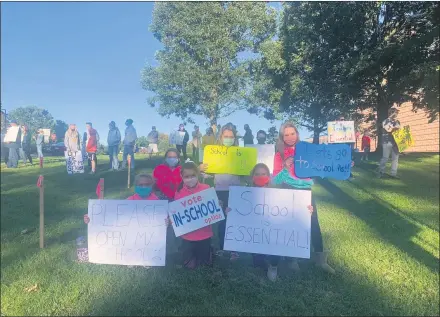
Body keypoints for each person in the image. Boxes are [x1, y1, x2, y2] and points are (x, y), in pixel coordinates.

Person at [272, 121, 335, 274]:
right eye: (286, 135)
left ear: (297, 134)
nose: (290, 137)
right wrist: (285, 168)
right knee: (291, 225)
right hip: (288, 191)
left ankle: (320, 259)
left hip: (306, 190)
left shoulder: (308, 150)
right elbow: (275, 180)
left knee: (313, 222)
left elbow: (325, 165)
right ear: (282, 137)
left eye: (292, 133)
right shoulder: (279, 155)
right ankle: (292, 259)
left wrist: (345, 164)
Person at [84, 173, 158, 268]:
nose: (144, 187)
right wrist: (93, 218)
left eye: (147, 184)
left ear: (152, 186)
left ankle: (146, 258)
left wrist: (165, 222)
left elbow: (159, 220)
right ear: (135, 186)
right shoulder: (129, 201)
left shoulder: (157, 202)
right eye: (140, 185)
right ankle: (131, 258)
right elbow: (112, 214)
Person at [201, 123, 240, 261]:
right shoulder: (214, 153)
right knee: (222, 220)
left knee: (234, 219)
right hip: (220, 191)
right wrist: (202, 169)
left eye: (231, 136)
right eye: (226, 136)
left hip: (236, 191)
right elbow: (208, 174)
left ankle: (235, 250)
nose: (228, 138)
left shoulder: (240, 153)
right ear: (221, 137)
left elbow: (247, 173)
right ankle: (224, 247)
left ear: (235, 138)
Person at [167, 162, 213, 269]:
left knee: (205, 265)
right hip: (187, 235)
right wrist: (171, 219)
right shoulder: (179, 192)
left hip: (204, 233)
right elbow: (176, 212)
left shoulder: (206, 188)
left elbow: (212, 208)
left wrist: (217, 205)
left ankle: (209, 252)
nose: (190, 179)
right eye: (187, 177)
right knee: (189, 266)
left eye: (193, 176)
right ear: (182, 177)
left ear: (198, 175)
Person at [378, 107, 401, 179]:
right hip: (387, 141)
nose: (396, 114)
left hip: (395, 142)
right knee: (385, 157)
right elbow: (389, 129)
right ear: (391, 113)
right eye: (395, 112)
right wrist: (395, 128)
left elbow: (399, 131)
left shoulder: (397, 122)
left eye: (397, 113)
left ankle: (393, 174)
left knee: (395, 158)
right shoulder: (385, 121)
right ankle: (381, 171)